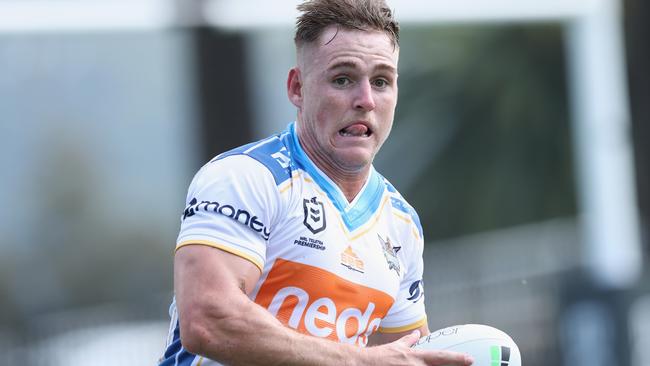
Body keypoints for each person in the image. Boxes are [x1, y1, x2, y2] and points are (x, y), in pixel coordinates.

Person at [159, 0, 473, 365]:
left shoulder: (402, 224)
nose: (366, 100)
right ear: (297, 88)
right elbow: (208, 321)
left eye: (382, 81)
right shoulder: (246, 177)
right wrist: (357, 361)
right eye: (343, 79)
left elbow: (404, 356)